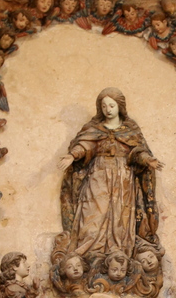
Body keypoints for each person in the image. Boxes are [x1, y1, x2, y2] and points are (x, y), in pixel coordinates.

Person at [58, 88, 163, 260]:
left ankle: (117, 254)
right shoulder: (93, 128)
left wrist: (147, 160)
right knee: (93, 213)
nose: (108, 109)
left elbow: (137, 150)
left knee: (120, 216)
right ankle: (90, 253)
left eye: (112, 105)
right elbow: (86, 145)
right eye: (104, 105)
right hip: (98, 174)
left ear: (120, 106)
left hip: (123, 177)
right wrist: (72, 155)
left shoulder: (130, 130)